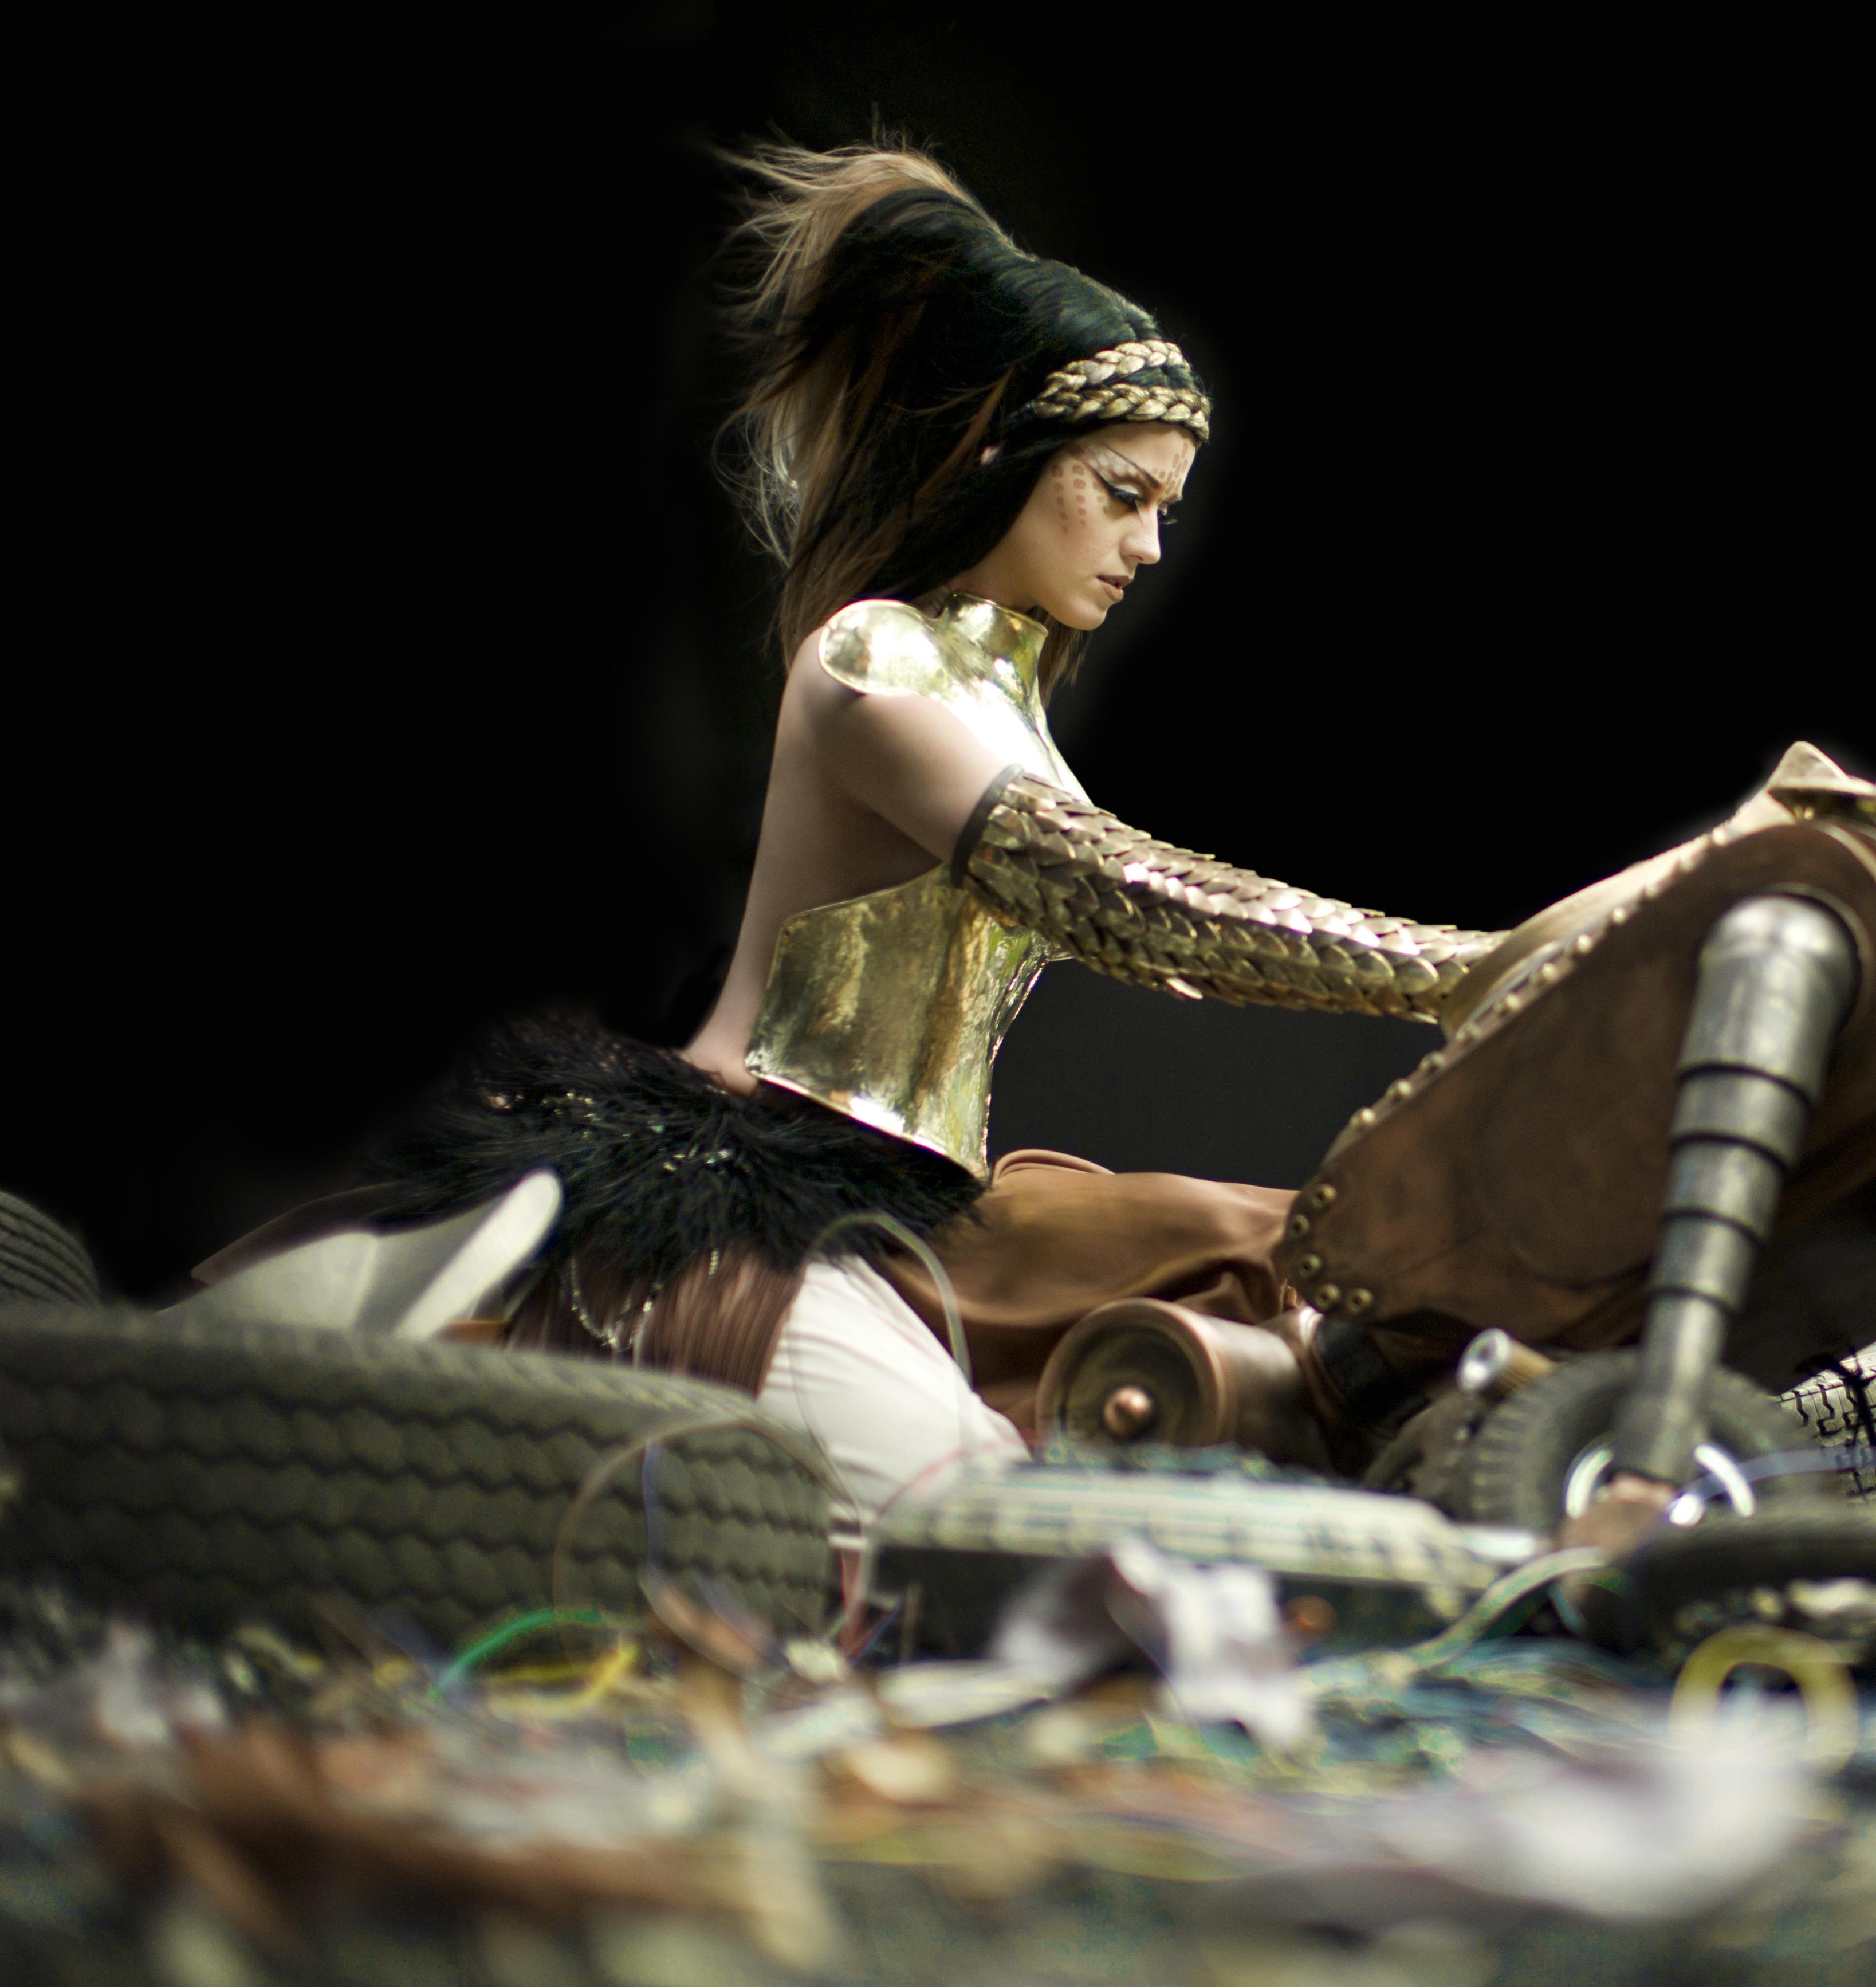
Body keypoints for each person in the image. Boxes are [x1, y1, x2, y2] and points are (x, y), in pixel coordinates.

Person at [327, 143, 1499, 1538]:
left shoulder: (1010, 705)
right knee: (977, 1536)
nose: (1148, 548)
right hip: (740, 1202)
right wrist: (1459, 970)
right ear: (997, 451)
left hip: (895, 1221)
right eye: (1121, 493)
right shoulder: (873, 658)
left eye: (1165, 510)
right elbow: (1122, 896)